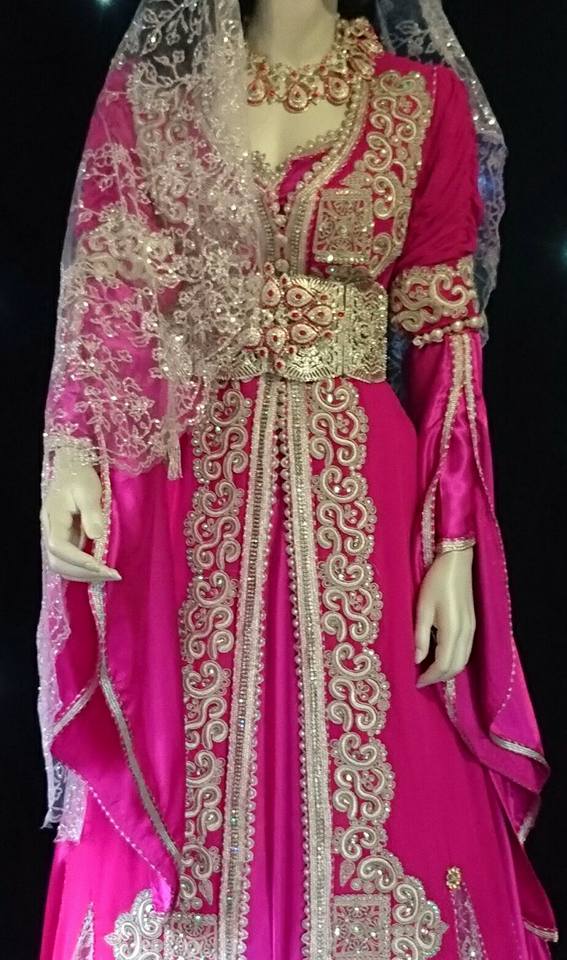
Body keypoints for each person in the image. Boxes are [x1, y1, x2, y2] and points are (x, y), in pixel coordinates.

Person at [37, 1, 557, 957]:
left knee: (399, 772)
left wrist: (452, 538)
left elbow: (444, 331)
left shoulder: (423, 104)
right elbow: (107, 291)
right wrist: (72, 453)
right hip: (189, 487)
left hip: (367, 492)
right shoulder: (159, 101)